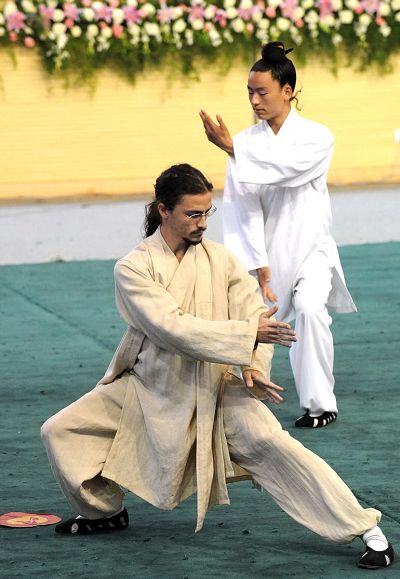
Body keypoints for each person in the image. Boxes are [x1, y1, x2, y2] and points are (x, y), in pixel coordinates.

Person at [41, 164, 393, 570]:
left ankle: (366, 529)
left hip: (217, 388)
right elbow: (171, 327)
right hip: (149, 386)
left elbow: (253, 310)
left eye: (208, 213)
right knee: (61, 430)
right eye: (194, 214)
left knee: (275, 447)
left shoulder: (221, 259)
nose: (204, 222)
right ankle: (103, 511)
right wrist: (247, 336)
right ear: (163, 210)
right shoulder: (133, 268)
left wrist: (254, 365)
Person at [200, 42, 356, 429]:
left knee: (308, 310)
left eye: (262, 91)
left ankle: (320, 405)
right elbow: (241, 207)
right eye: (250, 92)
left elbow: (290, 170)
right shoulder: (245, 142)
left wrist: (235, 151)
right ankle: (233, 402)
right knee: (257, 327)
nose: (255, 100)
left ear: (287, 91)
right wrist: (257, 263)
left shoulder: (318, 137)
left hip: (312, 250)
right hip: (269, 255)